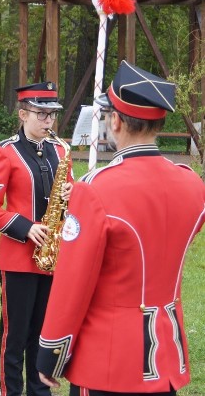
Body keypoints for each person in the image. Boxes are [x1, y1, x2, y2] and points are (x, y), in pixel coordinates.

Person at [37, 62, 205, 395]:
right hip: (165, 355)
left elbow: (74, 281)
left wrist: (51, 354)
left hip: (108, 359)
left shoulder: (96, 189)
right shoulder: (191, 184)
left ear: (114, 120)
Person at [0, 82, 72, 396]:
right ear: (22, 113)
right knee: (14, 336)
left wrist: (74, 195)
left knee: (43, 333)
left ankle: (38, 392)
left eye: (51, 115)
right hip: (18, 259)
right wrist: (24, 227)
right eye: (41, 114)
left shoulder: (60, 150)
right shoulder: (5, 152)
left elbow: (66, 195)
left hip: (53, 258)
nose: (48, 121)